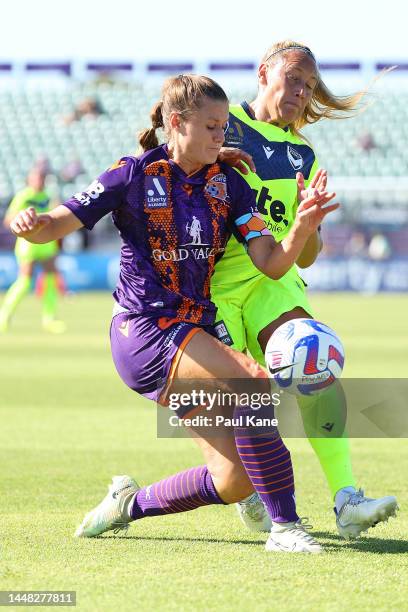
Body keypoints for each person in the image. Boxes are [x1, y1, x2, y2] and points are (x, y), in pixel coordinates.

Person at [9, 75, 338, 553]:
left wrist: (302, 228)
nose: (219, 137)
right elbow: (58, 223)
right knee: (251, 381)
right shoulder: (133, 174)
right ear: (176, 123)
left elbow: (271, 263)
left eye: (223, 127)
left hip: (192, 332)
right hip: (143, 330)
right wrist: (33, 225)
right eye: (209, 126)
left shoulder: (232, 184)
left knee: (234, 480)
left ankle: (128, 503)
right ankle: (286, 527)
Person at [211, 40, 398, 540]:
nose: (300, 92)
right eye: (293, 79)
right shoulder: (221, 123)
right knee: (238, 417)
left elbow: (308, 253)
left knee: (317, 363)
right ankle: (245, 489)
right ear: (264, 72)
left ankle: (346, 498)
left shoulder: (304, 152)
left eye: (309, 86)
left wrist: (309, 219)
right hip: (213, 285)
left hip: (274, 277)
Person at [0, 167, 66, 333]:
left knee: (51, 277)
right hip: (27, 244)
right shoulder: (24, 196)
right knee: (25, 280)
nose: (40, 181)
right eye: (37, 178)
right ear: (30, 180)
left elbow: (57, 218)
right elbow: (8, 220)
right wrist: (23, 224)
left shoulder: (47, 197)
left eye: (42, 178)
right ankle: (5, 314)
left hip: (46, 244)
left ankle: (49, 318)